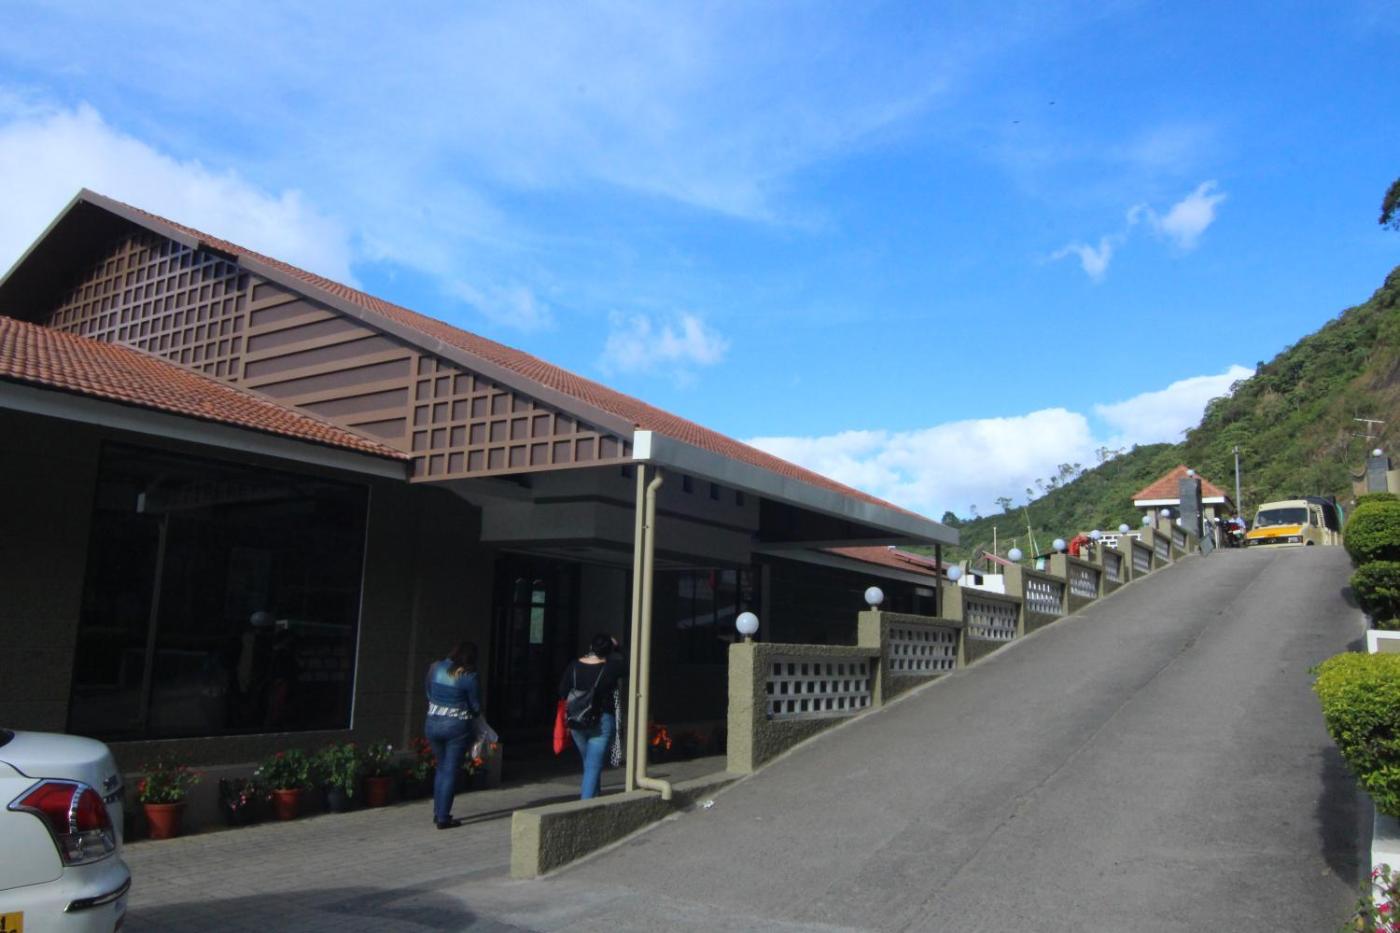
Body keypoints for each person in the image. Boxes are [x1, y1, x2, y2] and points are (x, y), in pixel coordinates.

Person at [558, 633, 627, 800]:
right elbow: (631, 665)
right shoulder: (611, 668)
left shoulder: (574, 666)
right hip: (602, 721)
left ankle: (594, 798)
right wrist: (618, 648)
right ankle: (585, 806)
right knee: (592, 766)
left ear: (591, 647)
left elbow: (562, 691)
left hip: (577, 721)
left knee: (589, 764)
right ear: (609, 651)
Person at [424, 641, 480, 829]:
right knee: (450, 770)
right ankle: (443, 817)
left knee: (441, 767)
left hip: (432, 722)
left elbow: (428, 692)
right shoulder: (469, 676)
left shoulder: (435, 668)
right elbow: (475, 707)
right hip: (457, 727)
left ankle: (437, 812)